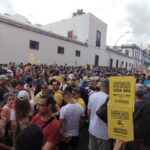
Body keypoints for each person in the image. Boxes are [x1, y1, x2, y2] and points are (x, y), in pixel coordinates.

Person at [88, 79, 111, 150]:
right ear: (109, 87)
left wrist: (91, 121)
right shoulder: (110, 99)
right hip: (104, 132)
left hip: (92, 129)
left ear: (101, 86)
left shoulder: (92, 95)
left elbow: (89, 112)